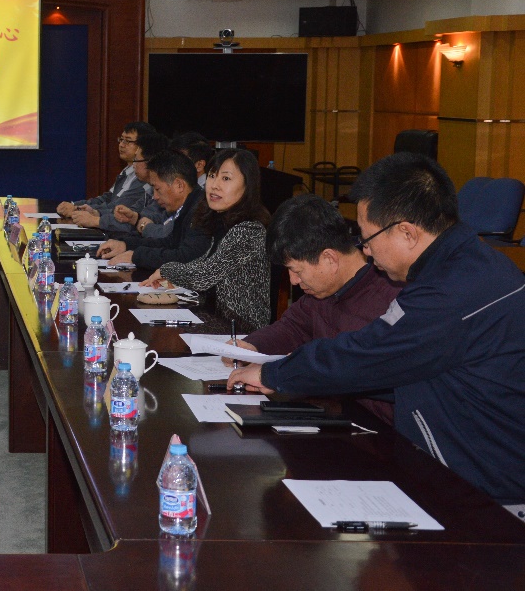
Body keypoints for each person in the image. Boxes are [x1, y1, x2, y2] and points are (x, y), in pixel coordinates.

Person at [228, 153, 525, 510]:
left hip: (488, 494)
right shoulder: (466, 265)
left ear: (406, 232)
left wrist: (274, 373)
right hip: (463, 476)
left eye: (368, 239)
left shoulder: (450, 291)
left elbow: (367, 353)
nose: (366, 251)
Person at [229, 193, 402, 422]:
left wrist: (278, 374)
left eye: (296, 270)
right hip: (330, 415)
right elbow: (293, 327)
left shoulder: (391, 299)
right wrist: (251, 346)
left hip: (377, 429)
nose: (293, 281)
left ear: (329, 258)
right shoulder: (320, 292)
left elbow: (352, 365)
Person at [139, 148, 271, 330]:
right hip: (214, 317)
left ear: (247, 186)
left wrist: (167, 271)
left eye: (226, 178)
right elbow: (203, 263)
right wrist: (176, 279)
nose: (215, 185)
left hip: (241, 329)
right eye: (212, 176)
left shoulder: (249, 230)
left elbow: (206, 275)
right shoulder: (220, 220)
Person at [96, 149, 211, 270]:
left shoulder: (201, 211)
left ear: (179, 185)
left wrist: (137, 256)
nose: (155, 197)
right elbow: (169, 243)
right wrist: (126, 245)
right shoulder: (188, 205)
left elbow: (186, 257)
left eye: (157, 189)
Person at [56, 122, 163, 230]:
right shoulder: (128, 171)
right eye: (121, 139)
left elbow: (120, 209)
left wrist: (92, 216)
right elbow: (109, 198)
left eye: (128, 141)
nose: (121, 145)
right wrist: (81, 208)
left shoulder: (144, 182)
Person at [100, 131, 169, 235]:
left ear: (150, 162)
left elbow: (156, 224)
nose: (133, 165)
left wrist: (96, 220)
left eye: (136, 160)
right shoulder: (149, 188)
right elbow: (133, 212)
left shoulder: (147, 186)